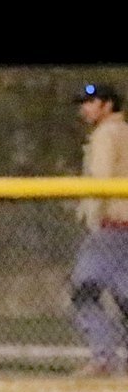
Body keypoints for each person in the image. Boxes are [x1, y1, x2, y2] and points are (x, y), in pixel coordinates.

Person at [69, 82, 128, 376]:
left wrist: (92, 215)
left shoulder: (106, 134)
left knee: (84, 289)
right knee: (123, 293)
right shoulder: (125, 131)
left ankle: (103, 357)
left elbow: (101, 180)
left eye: (91, 102)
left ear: (107, 105)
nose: (85, 108)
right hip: (122, 226)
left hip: (112, 225)